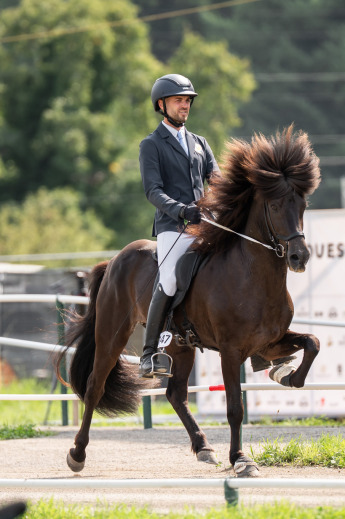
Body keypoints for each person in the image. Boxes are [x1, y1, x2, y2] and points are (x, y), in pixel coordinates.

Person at [138, 74, 219, 378]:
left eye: (187, 100)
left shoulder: (200, 143)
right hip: (174, 226)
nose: (185, 105)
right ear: (162, 105)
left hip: (205, 224)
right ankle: (150, 353)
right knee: (170, 278)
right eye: (178, 100)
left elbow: (218, 180)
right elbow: (153, 191)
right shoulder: (151, 145)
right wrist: (182, 210)